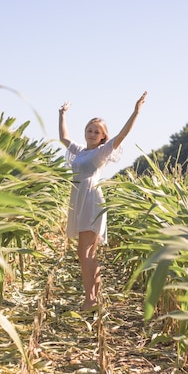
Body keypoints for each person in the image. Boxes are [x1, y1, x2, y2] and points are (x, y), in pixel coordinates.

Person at [58, 91, 147, 311]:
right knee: (86, 253)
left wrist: (135, 112)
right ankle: (93, 299)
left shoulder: (102, 151)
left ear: (102, 136)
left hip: (91, 200)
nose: (91, 133)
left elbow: (123, 135)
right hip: (79, 199)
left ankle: (91, 300)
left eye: (96, 131)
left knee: (85, 252)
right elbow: (63, 138)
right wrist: (62, 114)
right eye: (89, 129)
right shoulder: (79, 151)